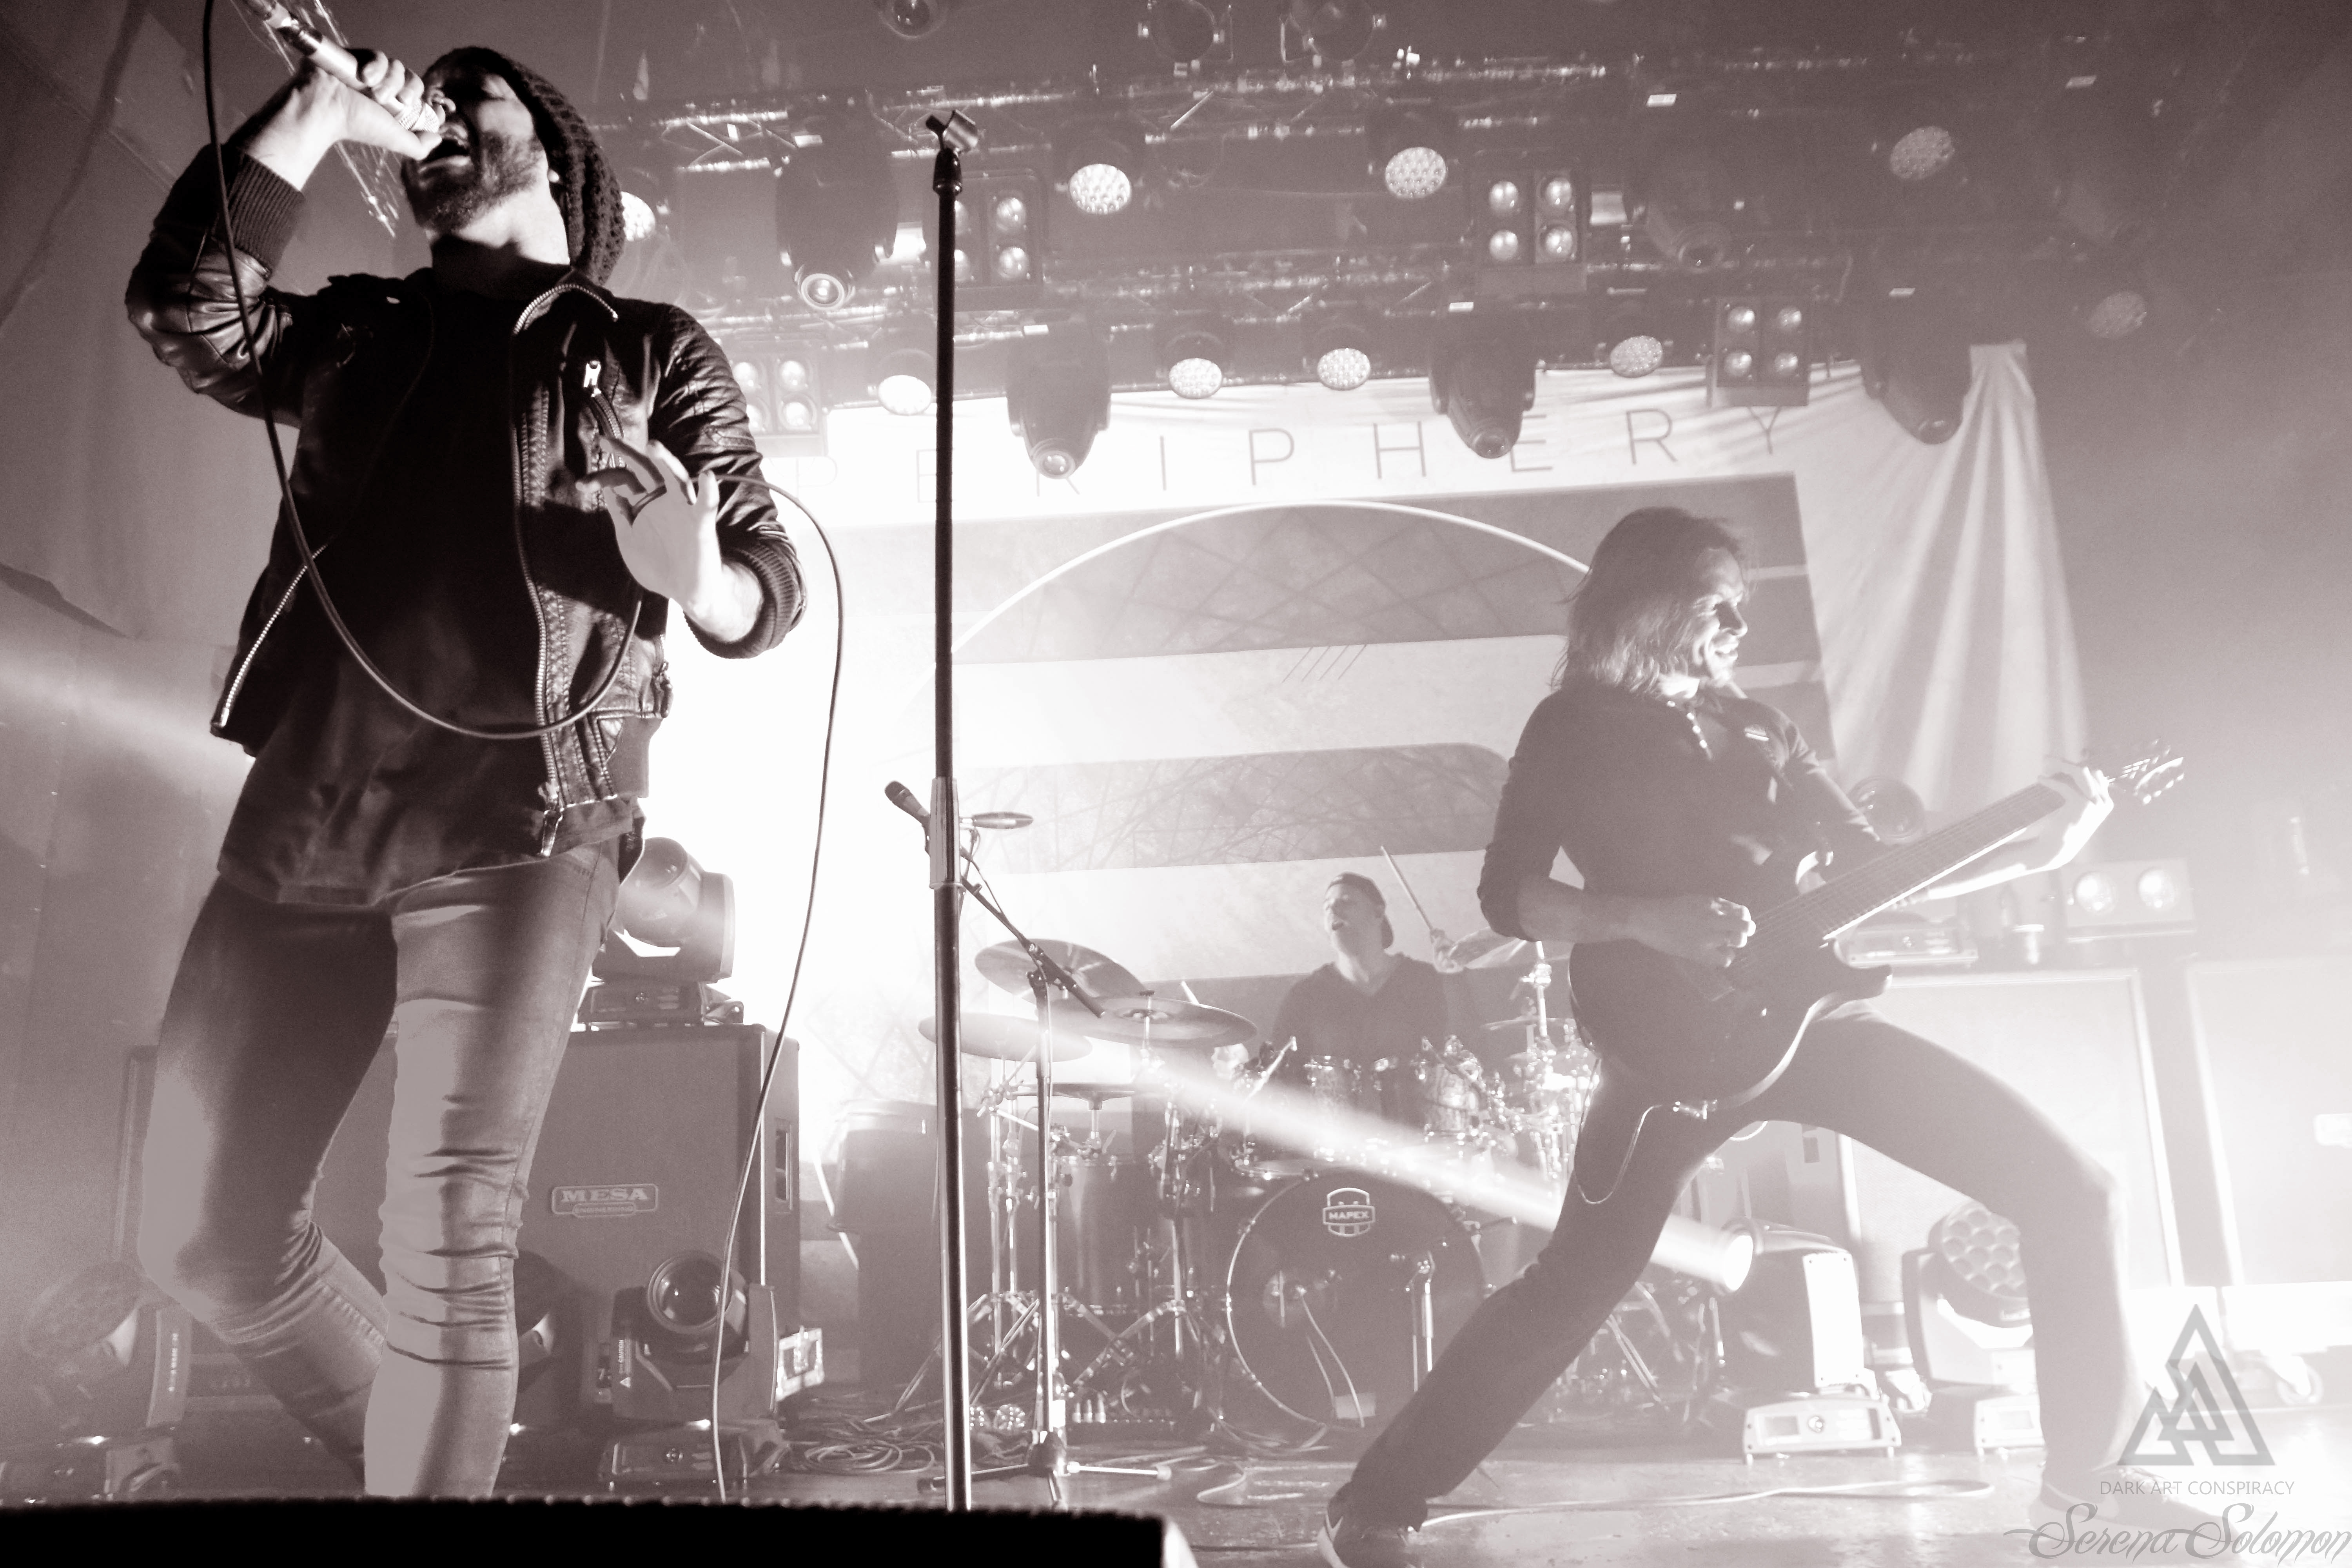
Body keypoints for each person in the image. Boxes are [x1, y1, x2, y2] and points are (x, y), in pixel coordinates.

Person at [123, 45, 802, 1495]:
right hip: (311, 804)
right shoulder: (364, 330)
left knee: (448, 1237)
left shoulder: (646, 351)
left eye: (466, 91)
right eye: (419, 96)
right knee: (202, 1237)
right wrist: (318, 111)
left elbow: (766, 584)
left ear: (547, 147)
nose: (433, 106)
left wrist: (696, 576)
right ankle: (447, 1457)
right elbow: (187, 311)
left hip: (523, 817)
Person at [1318, 508, 2202, 1566]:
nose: (1740, 623)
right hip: (1666, 1049)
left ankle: (2088, 1487)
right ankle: (1377, 1498)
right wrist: (1648, 920)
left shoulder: (1759, 727)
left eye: (1741, 603)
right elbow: (1509, 895)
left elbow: (1879, 876)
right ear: (1646, 604)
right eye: (1717, 602)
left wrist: (2040, 850)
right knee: (1574, 1284)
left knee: (2074, 1190)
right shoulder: (1572, 727)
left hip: (1812, 1026)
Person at [1257, 873, 1472, 1116]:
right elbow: (1280, 1077)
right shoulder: (1306, 996)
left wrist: (1453, 978)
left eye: (1346, 902)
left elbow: (1463, 1052)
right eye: (1327, 907)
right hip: (1337, 1136)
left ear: (1378, 913)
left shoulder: (1423, 981)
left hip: (1418, 1132)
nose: (1333, 910)